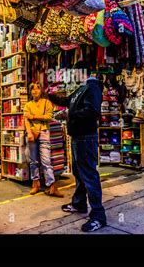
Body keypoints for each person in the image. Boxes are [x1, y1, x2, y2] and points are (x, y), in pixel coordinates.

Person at [48, 61, 106, 232]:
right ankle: (79, 203)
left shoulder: (92, 86)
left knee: (88, 174)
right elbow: (67, 101)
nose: (72, 75)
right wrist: (50, 95)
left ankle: (98, 216)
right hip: (78, 137)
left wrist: (69, 114)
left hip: (86, 138)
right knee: (79, 173)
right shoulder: (81, 88)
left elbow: (93, 111)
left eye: (75, 72)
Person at [24, 83, 63, 197]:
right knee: (33, 161)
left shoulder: (47, 103)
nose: (35, 91)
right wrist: (29, 133)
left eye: (37, 89)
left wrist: (34, 116)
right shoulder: (28, 105)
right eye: (33, 89)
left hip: (44, 132)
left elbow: (49, 116)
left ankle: (51, 185)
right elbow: (26, 119)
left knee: (46, 160)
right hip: (32, 133)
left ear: (41, 91)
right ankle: (35, 183)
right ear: (30, 92)